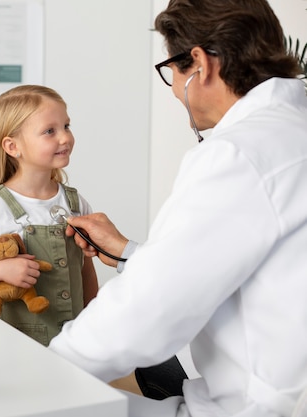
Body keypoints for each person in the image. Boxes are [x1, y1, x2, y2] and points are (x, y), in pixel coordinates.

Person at [48, 1, 307, 417]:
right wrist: (128, 252)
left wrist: (45, 370)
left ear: (200, 64)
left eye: (172, 71)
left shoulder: (240, 154)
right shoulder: (290, 130)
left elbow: (145, 313)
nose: (173, 89)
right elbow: (234, 261)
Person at [0, 85, 99, 347]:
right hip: (18, 344)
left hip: (73, 340)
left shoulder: (76, 204)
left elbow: (85, 270)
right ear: (13, 146)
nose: (65, 137)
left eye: (66, 126)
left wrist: (94, 320)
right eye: (50, 131)